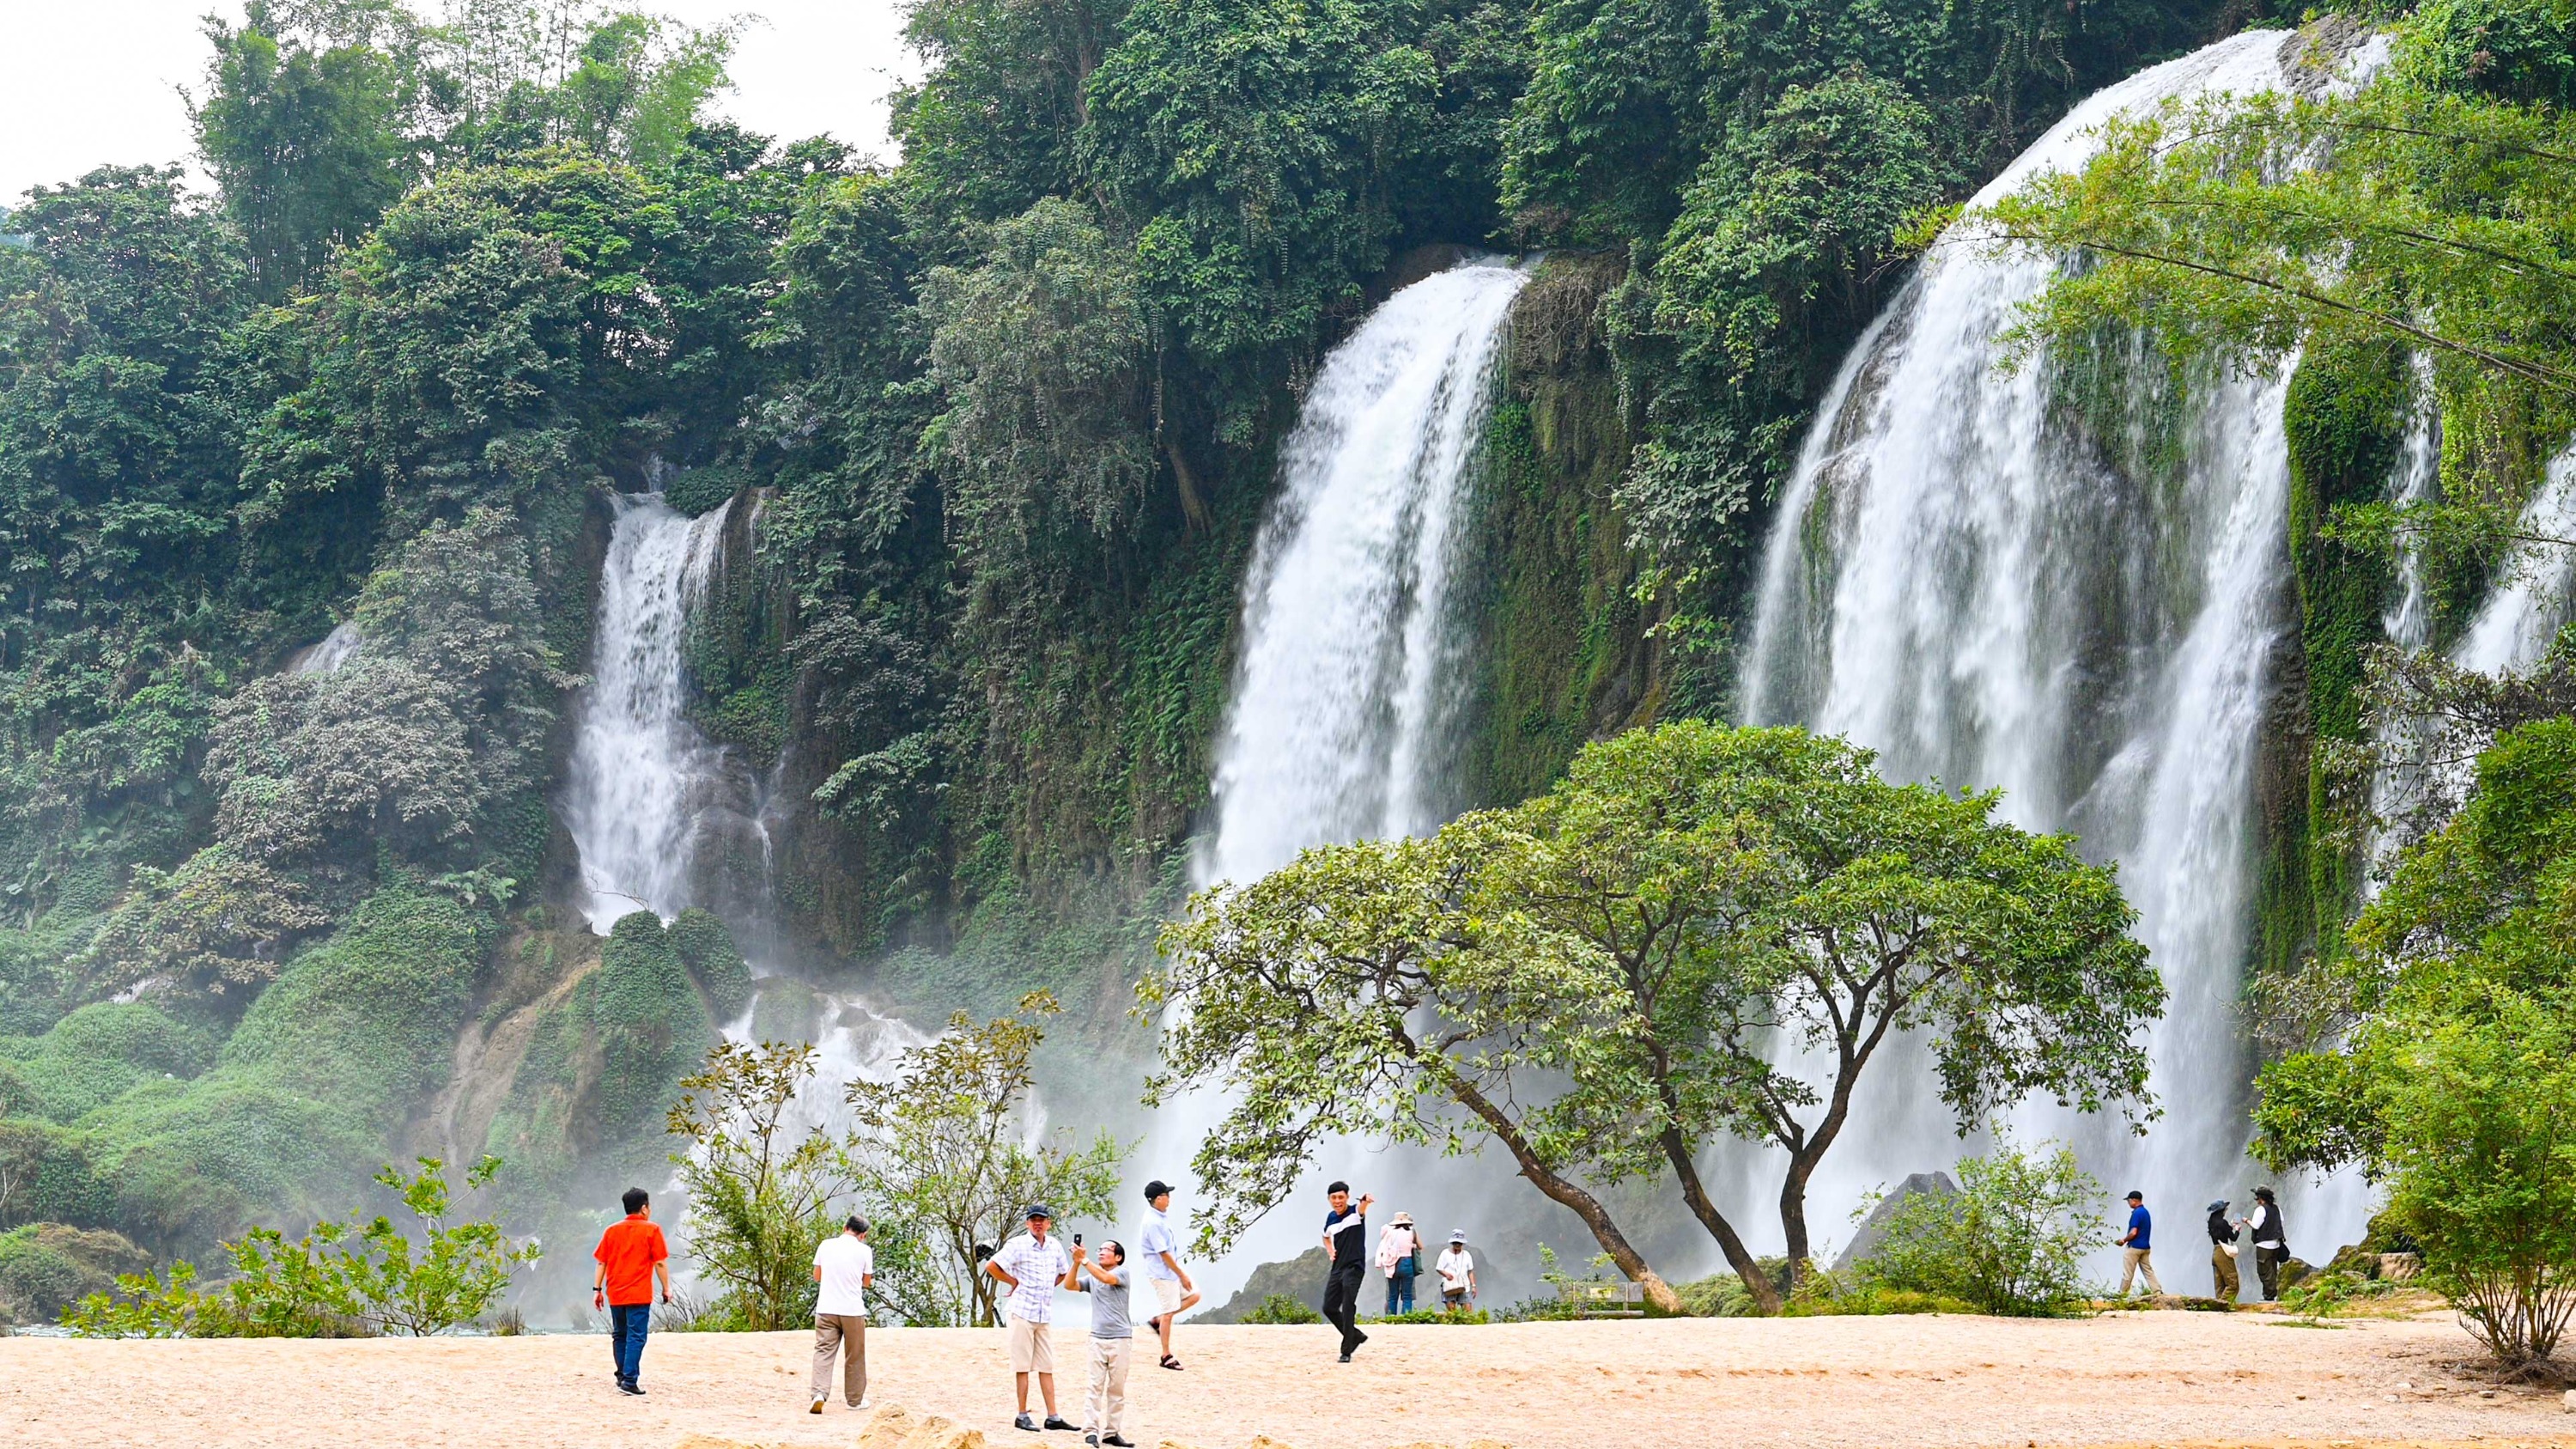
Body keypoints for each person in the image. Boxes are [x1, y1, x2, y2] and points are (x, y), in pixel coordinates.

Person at [983, 1203, 1078, 1433]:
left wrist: (1047, 1287)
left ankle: (1053, 1416)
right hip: (1022, 1312)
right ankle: (1022, 1414)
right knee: (1022, 1366)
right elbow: (991, 1266)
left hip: (1043, 1313)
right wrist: (1013, 1282)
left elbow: (1064, 1273)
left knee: (1047, 1365)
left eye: (1042, 1219)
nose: (1038, 1223)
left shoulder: (1054, 1245)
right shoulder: (1017, 1244)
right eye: (1033, 1219)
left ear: (1048, 1223)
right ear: (1027, 1223)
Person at [591, 1186, 672, 1397]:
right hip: (639, 1293)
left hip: (615, 1293)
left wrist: (597, 1290)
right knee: (636, 1336)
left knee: (620, 1335)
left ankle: (621, 1376)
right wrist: (666, 1288)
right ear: (644, 1208)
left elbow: (602, 1263)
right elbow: (660, 1264)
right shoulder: (651, 1230)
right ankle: (629, 1381)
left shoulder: (611, 1231)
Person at [1070, 1239, 1139, 1448]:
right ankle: (1090, 1431)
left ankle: (1111, 1433)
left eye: (1106, 1250)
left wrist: (1084, 1260)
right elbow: (1070, 1285)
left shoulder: (1122, 1273)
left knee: (1116, 1389)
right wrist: (1075, 1262)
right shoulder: (1092, 1276)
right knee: (1094, 1386)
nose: (1101, 1253)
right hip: (1097, 1338)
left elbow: (1108, 1279)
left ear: (1118, 1257)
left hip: (1120, 1338)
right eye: (1099, 1249)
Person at [810, 1215, 874, 1414]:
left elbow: (817, 1276)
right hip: (852, 1310)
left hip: (826, 1308)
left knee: (823, 1351)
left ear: (844, 1227)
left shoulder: (825, 1245)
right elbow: (866, 1282)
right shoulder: (864, 1251)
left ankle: (819, 1393)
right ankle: (854, 1401)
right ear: (862, 1235)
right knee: (854, 1355)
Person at [1135, 1179, 1200, 1372]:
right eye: (1166, 1195)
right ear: (1157, 1199)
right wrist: (1182, 1275)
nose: (1169, 1198)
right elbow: (1163, 1254)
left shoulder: (1159, 1216)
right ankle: (1166, 1355)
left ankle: (1158, 1320)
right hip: (1162, 1273)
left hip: (1169, 1271)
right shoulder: (1153, 1222)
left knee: (1194, 1296)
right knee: (1169, 1313)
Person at [1319, 1181, 1374, 1362]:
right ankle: (1355, 1335)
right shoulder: (1330, 1218)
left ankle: (1346, 1351)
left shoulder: (1355, 1213)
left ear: (1347, 1197)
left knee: (1348, 1303)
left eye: (1341, 1197)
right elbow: (1326, 1236)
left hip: (1354, 1267)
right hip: (1338, 1267)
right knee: (1329, 1307)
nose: (1337, 1201)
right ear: (1329, 1199)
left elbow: (1362, 1207)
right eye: (1334, 1198)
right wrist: (1330, 1250)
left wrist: (1365, 1201)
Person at [2245, 1185, 2290, 1301]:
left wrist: (2246, 1221)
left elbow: (2255, 1225)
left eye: (2257, 1197)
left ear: (2261, 1198)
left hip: (2263, 1245)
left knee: (2264, 1270)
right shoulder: (2277, 1209)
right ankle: (2271, 1294)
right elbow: (2281, 1223)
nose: (2256, 1200)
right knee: (2272, 1269)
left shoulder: (2260, 1209)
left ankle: (2269, 1296)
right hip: (2276, 1244)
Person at [2116, 1190, 2163, 1298]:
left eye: (2129, 1200)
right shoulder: (2146, 1212)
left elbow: (2133, 1232)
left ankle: (2122, 1296)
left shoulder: (2136, 1213)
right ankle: (2157, 1291)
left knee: (2128, 1273)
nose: (2128, 1203)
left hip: (2134, 1248)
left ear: (2134, 1200)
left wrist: (2123, 1240)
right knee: (2148, 1271)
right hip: (2145, 1248)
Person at [1376, 1212, 1421, 1317]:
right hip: (1407, 1263)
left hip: (1392, 1264)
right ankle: (1406, 1317)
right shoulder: (1412, 1232)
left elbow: (1382, 1246)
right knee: (1407, 1295)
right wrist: (1412, 1245)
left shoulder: (1389, 1232)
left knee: (1392, 1295)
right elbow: (1420, 1246)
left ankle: (1391, 1318)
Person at [2206, 1199, 2241, 1302]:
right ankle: (2222, 1305)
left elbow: (2222, 1231)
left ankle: (2218, 1306)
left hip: (2215, 1253)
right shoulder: (2223, 1223)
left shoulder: (2212, 1223)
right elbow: (2233, 1237)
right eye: (2225, 1209)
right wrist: (2237, 1230)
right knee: (2233, 1284)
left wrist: (2229, 1226)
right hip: (2223, 1254)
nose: (2226, 1210)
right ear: (2221, 1211)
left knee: (2219, 1286)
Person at [1434, 1230, 1476, 1311]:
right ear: (1452, 1243)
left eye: (1459, 1243)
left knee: (1468, 1310)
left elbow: (1470, 1271)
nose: (1457, 1245)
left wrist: (1473, 1286)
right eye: (1455, 1242)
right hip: (1449, 1286)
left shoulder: (1467, 1255)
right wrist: (1446, 1274)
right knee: (1451, 1309)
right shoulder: (1445, 1253)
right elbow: (1439, 1268)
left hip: (1464, 1285)